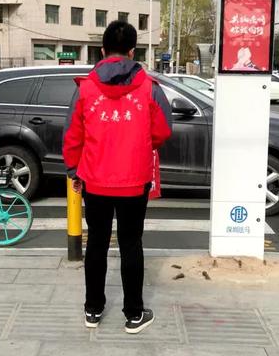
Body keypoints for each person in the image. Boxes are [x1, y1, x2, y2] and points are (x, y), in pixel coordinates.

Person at [63, 21, 173, 334]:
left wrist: (73, 170)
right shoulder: (150, 87)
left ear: (102, 51)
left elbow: (72, 136)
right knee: (131, 243)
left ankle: (93, 310)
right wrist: (140, 144)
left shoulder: (85, 88)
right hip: (134, 181)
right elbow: (163, 130)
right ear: (132, 52)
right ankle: (134, 314)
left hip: (95, 180)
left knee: (96, 243)